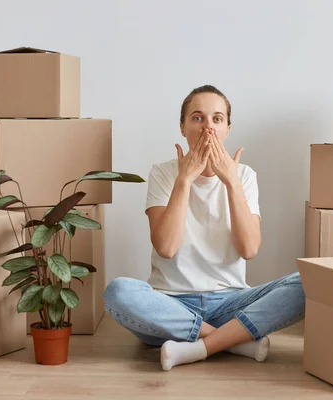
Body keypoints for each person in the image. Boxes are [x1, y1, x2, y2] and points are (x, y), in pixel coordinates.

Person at [104, 85, 306, 371]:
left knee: (308, 282)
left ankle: (199, 347)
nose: (208, 127)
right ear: (183, 128)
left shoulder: (245, 176)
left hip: (231, 304)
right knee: (118, 291)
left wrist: (231, 182)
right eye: (198, 118)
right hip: (170, 306)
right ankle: (231, 341)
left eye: (217, 119)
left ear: (227, 129)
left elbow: (249, 249)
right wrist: (184, 180)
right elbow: (166, 247)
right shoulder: (163, 173)